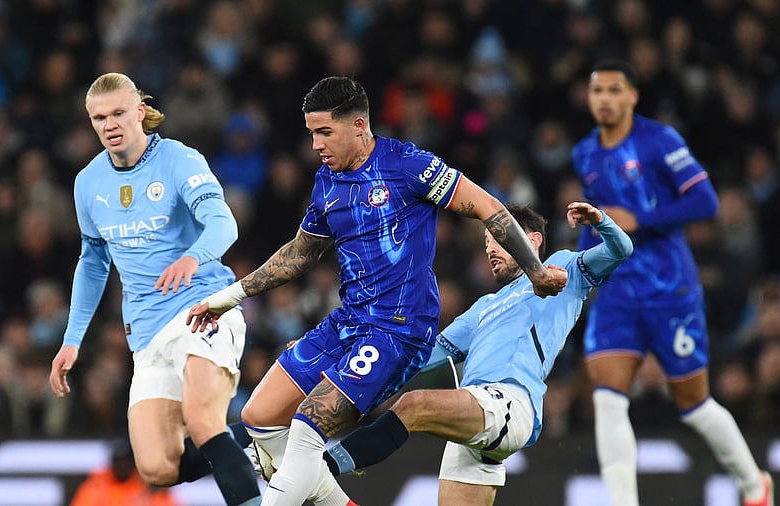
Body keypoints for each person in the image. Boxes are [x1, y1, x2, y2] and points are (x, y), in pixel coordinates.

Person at [187, 76, 568, 506]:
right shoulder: (327, 183)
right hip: (348, 321)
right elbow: (300, 253)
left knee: (308, 427)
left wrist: (535, 270)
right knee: (259, 417)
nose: (315, 145)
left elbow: (489, 208)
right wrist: (228, 298)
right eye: (312, 133)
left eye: (325, 132)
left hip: (398, 329)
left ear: (359, 126)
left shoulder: (409, 166)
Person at [319, 202, 632, 505]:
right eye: (486, 242)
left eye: (498, 238)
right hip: (474, 418)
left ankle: (323, 468)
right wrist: (339, 359)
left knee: (416, 404)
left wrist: (600, 221)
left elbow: (621, 250)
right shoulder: (483, 309)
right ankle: (321, 471)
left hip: (510, 402)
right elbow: (418, 357)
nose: (490, 249)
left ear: (532, 240)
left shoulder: (560, 268)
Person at [47, 72, 261, 506]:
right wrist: (72, 340)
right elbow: (92, 262)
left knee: (203, 420)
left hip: (203, 308)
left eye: (118, 113)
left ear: (140, 112)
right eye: (98, 118)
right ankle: (266, 438)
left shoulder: (180, 160)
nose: (109, 125)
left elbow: (224, 223)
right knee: (158, 468)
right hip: (145, 334)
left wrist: (191, 257)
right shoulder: (88, 183)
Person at [572, 59, 773, 506]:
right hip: (618, 290)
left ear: (632, 96)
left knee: (694, 404)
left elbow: (705, 201)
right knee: (607, 396)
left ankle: (752, 483)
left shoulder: (659, 140)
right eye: (596, 90)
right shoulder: (585, 153)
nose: (603, 98)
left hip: (669, 288)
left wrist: (639, 219)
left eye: (613, 90)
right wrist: (577, 272)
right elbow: (597, 223)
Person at [70, 438, 175, 506]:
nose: (121, 466)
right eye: (118, 461)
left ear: (133, 462)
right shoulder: (96, 487)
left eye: (125, 461)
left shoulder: (148, 488)